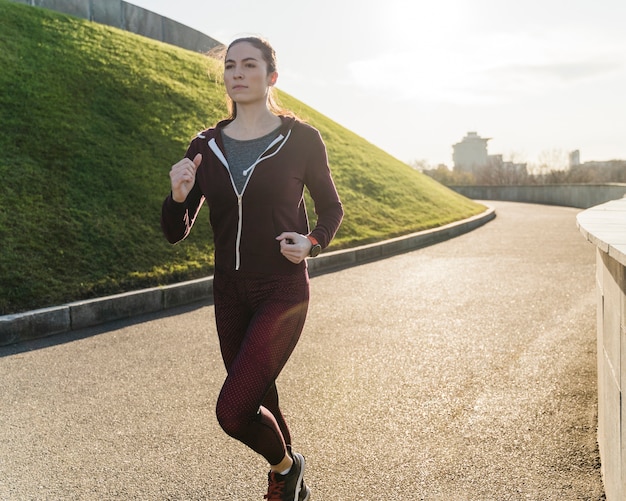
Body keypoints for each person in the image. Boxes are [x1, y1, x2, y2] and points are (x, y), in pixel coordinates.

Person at [160, 36, 343, 501]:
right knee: (261, 395)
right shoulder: (205, 145)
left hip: (282, 292)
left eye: (249, 65)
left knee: (233, 411)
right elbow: (175, 230)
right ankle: (291, 483)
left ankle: (286, 467)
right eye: (230, 66)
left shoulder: (300, 138)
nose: (237, 74)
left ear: (271, 77)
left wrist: (312, 242)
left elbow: (331, 209)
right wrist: (178, 197)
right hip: (230, 293)